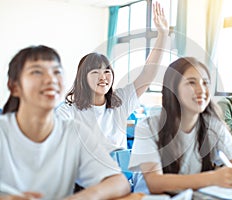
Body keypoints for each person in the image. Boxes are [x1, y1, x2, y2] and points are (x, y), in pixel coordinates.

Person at [0, 45, 130, 199]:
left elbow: (119, 183)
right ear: (14, 87)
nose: (51, 79)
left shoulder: (74, 132)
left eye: (57, 72)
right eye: (37, 72)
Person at [128, 57, 232, 194]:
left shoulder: (213, 125)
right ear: (173, 88)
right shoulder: (149, 125)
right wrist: (213, 178)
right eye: (191, 83)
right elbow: (155, 182)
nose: (201, 90)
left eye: (205, 83)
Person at [56, 2, 169, 151]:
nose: (103, 77)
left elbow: (148, 73)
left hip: (119, 170)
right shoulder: (70, 111)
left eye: (107, 71)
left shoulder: (121, 102)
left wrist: (163, 35)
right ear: (83, 78)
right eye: (95, 72)